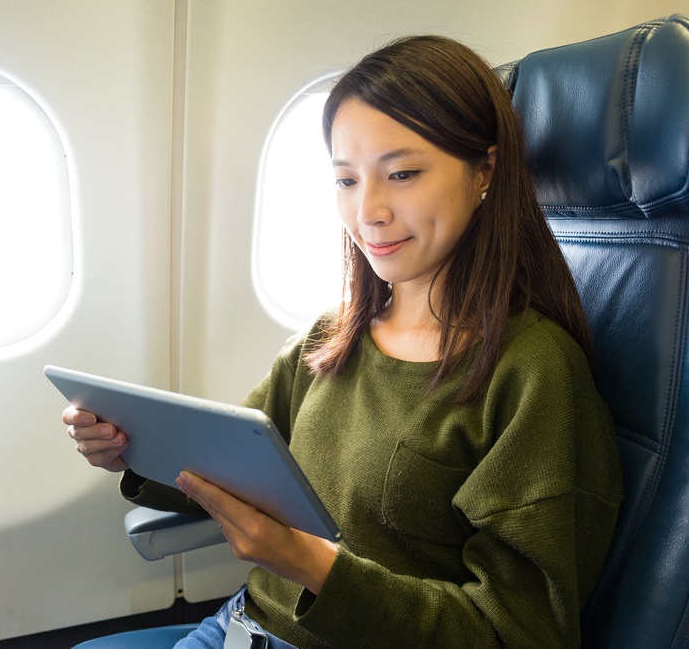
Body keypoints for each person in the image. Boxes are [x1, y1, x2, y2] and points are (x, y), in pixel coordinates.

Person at [64, 34, 623, 648]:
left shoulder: (532, 373)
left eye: (402, 173)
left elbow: (519, 633)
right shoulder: (333, 337)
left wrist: (309, 565)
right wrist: (129, 449)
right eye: (346, 180)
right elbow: (232, 466)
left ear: (484, 170)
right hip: (242, 627)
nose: (369, 211)